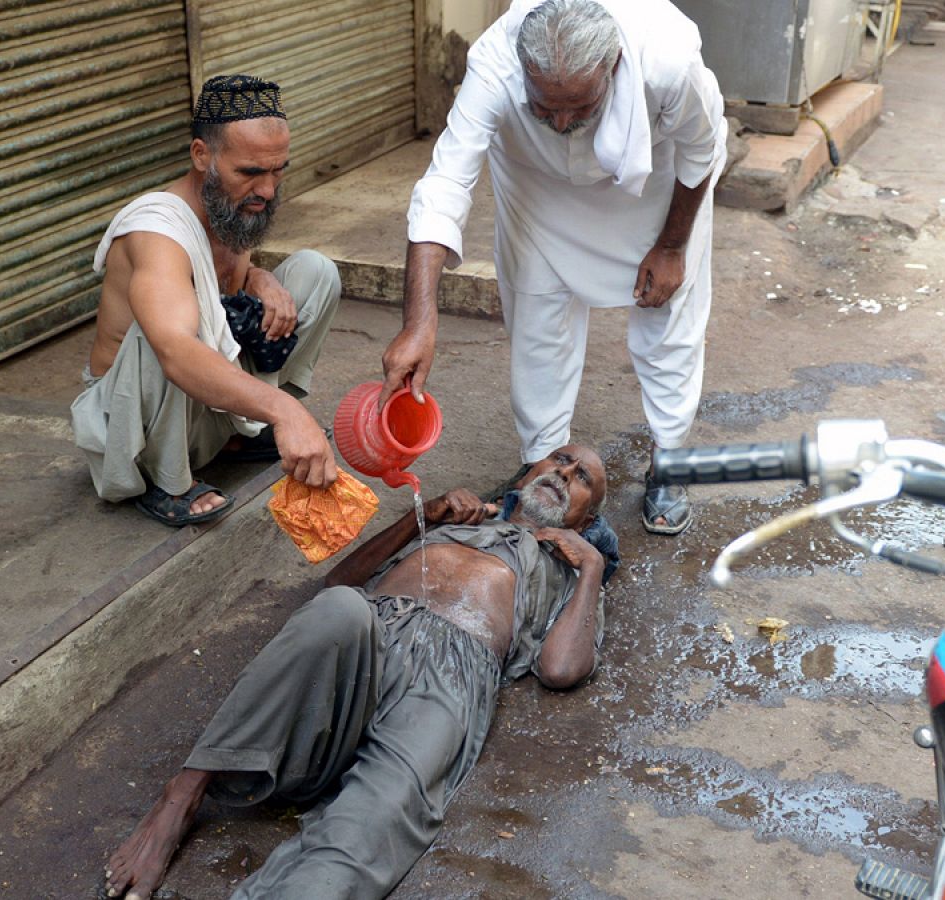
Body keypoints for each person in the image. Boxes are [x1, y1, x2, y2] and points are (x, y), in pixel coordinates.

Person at [102, 445, 612, 900]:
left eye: (582, 478)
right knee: (340, 607)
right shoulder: (459, 520)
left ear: (587, 522)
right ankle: (183, 794)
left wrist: (590, 570)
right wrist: (423, 518)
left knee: (377, 816)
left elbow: (561, 669)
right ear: (525, 475)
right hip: (372, 634)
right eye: (560, 461)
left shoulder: (569, 567)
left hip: (452, 678)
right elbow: (338, 581)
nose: (565, 475)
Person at [383, 0, 727, 536]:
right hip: (536, 184)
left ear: (612, 68)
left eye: (580, 107)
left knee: (669, 322)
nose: (563, 122)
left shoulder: (668, 63)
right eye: (545, 108)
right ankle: (543, 463)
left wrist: (673, 245)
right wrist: (419, 322)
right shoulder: (494, 63)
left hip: (653, 184)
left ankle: (670, 461)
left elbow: (700, 151)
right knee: (537, 317)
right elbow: (445, 183)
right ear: (524, 73)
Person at [70, 75, 342, 527]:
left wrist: (259, 277)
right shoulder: (157, 231)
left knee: (316, 272)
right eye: (251, 173)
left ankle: (237, 439)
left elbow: (221, 290)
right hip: (134, 426)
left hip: (203, 408)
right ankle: (167, 478)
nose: (269, 190)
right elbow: (176, 351)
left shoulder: (230, 205)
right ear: (202, 156)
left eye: (278, 171)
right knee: (169, 331)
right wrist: (286, 411)